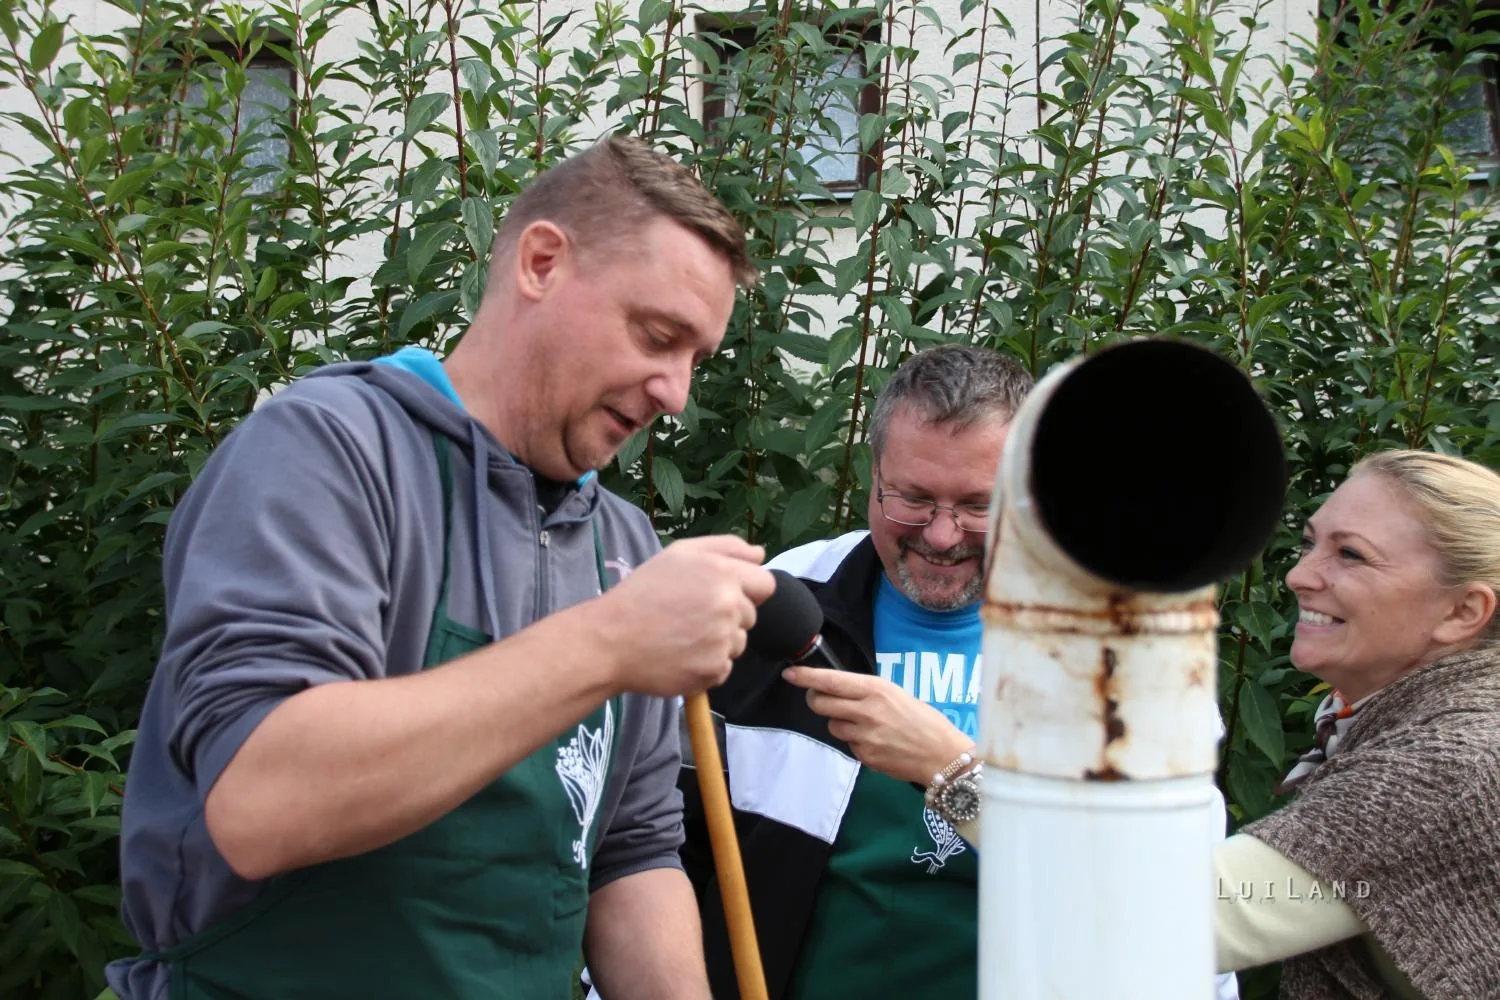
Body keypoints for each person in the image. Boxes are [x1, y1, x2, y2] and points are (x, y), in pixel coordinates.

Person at [109, 136, 776, 1000]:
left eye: (697, 360)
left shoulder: (625, 548)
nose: (675, 392)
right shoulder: (332, 451)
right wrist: (611, 643)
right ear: (541, 262)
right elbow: (261, 802)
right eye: (657, 336)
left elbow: (629, 855)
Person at [677, 343, 1240, 1000]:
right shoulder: (779, 608)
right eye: (912, 498)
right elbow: (665, 842)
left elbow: (1172, 900)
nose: (942, 536)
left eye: (979, 505)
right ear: (872, 476)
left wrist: (951, 771)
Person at [1212, 449, 1500, 999]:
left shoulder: (1450, 764)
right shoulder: (1394, 717)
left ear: (1463, 612)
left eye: (1350, 554)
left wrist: (991, 779)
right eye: (1309, 543)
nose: (1298, 575)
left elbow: (1158, 920)